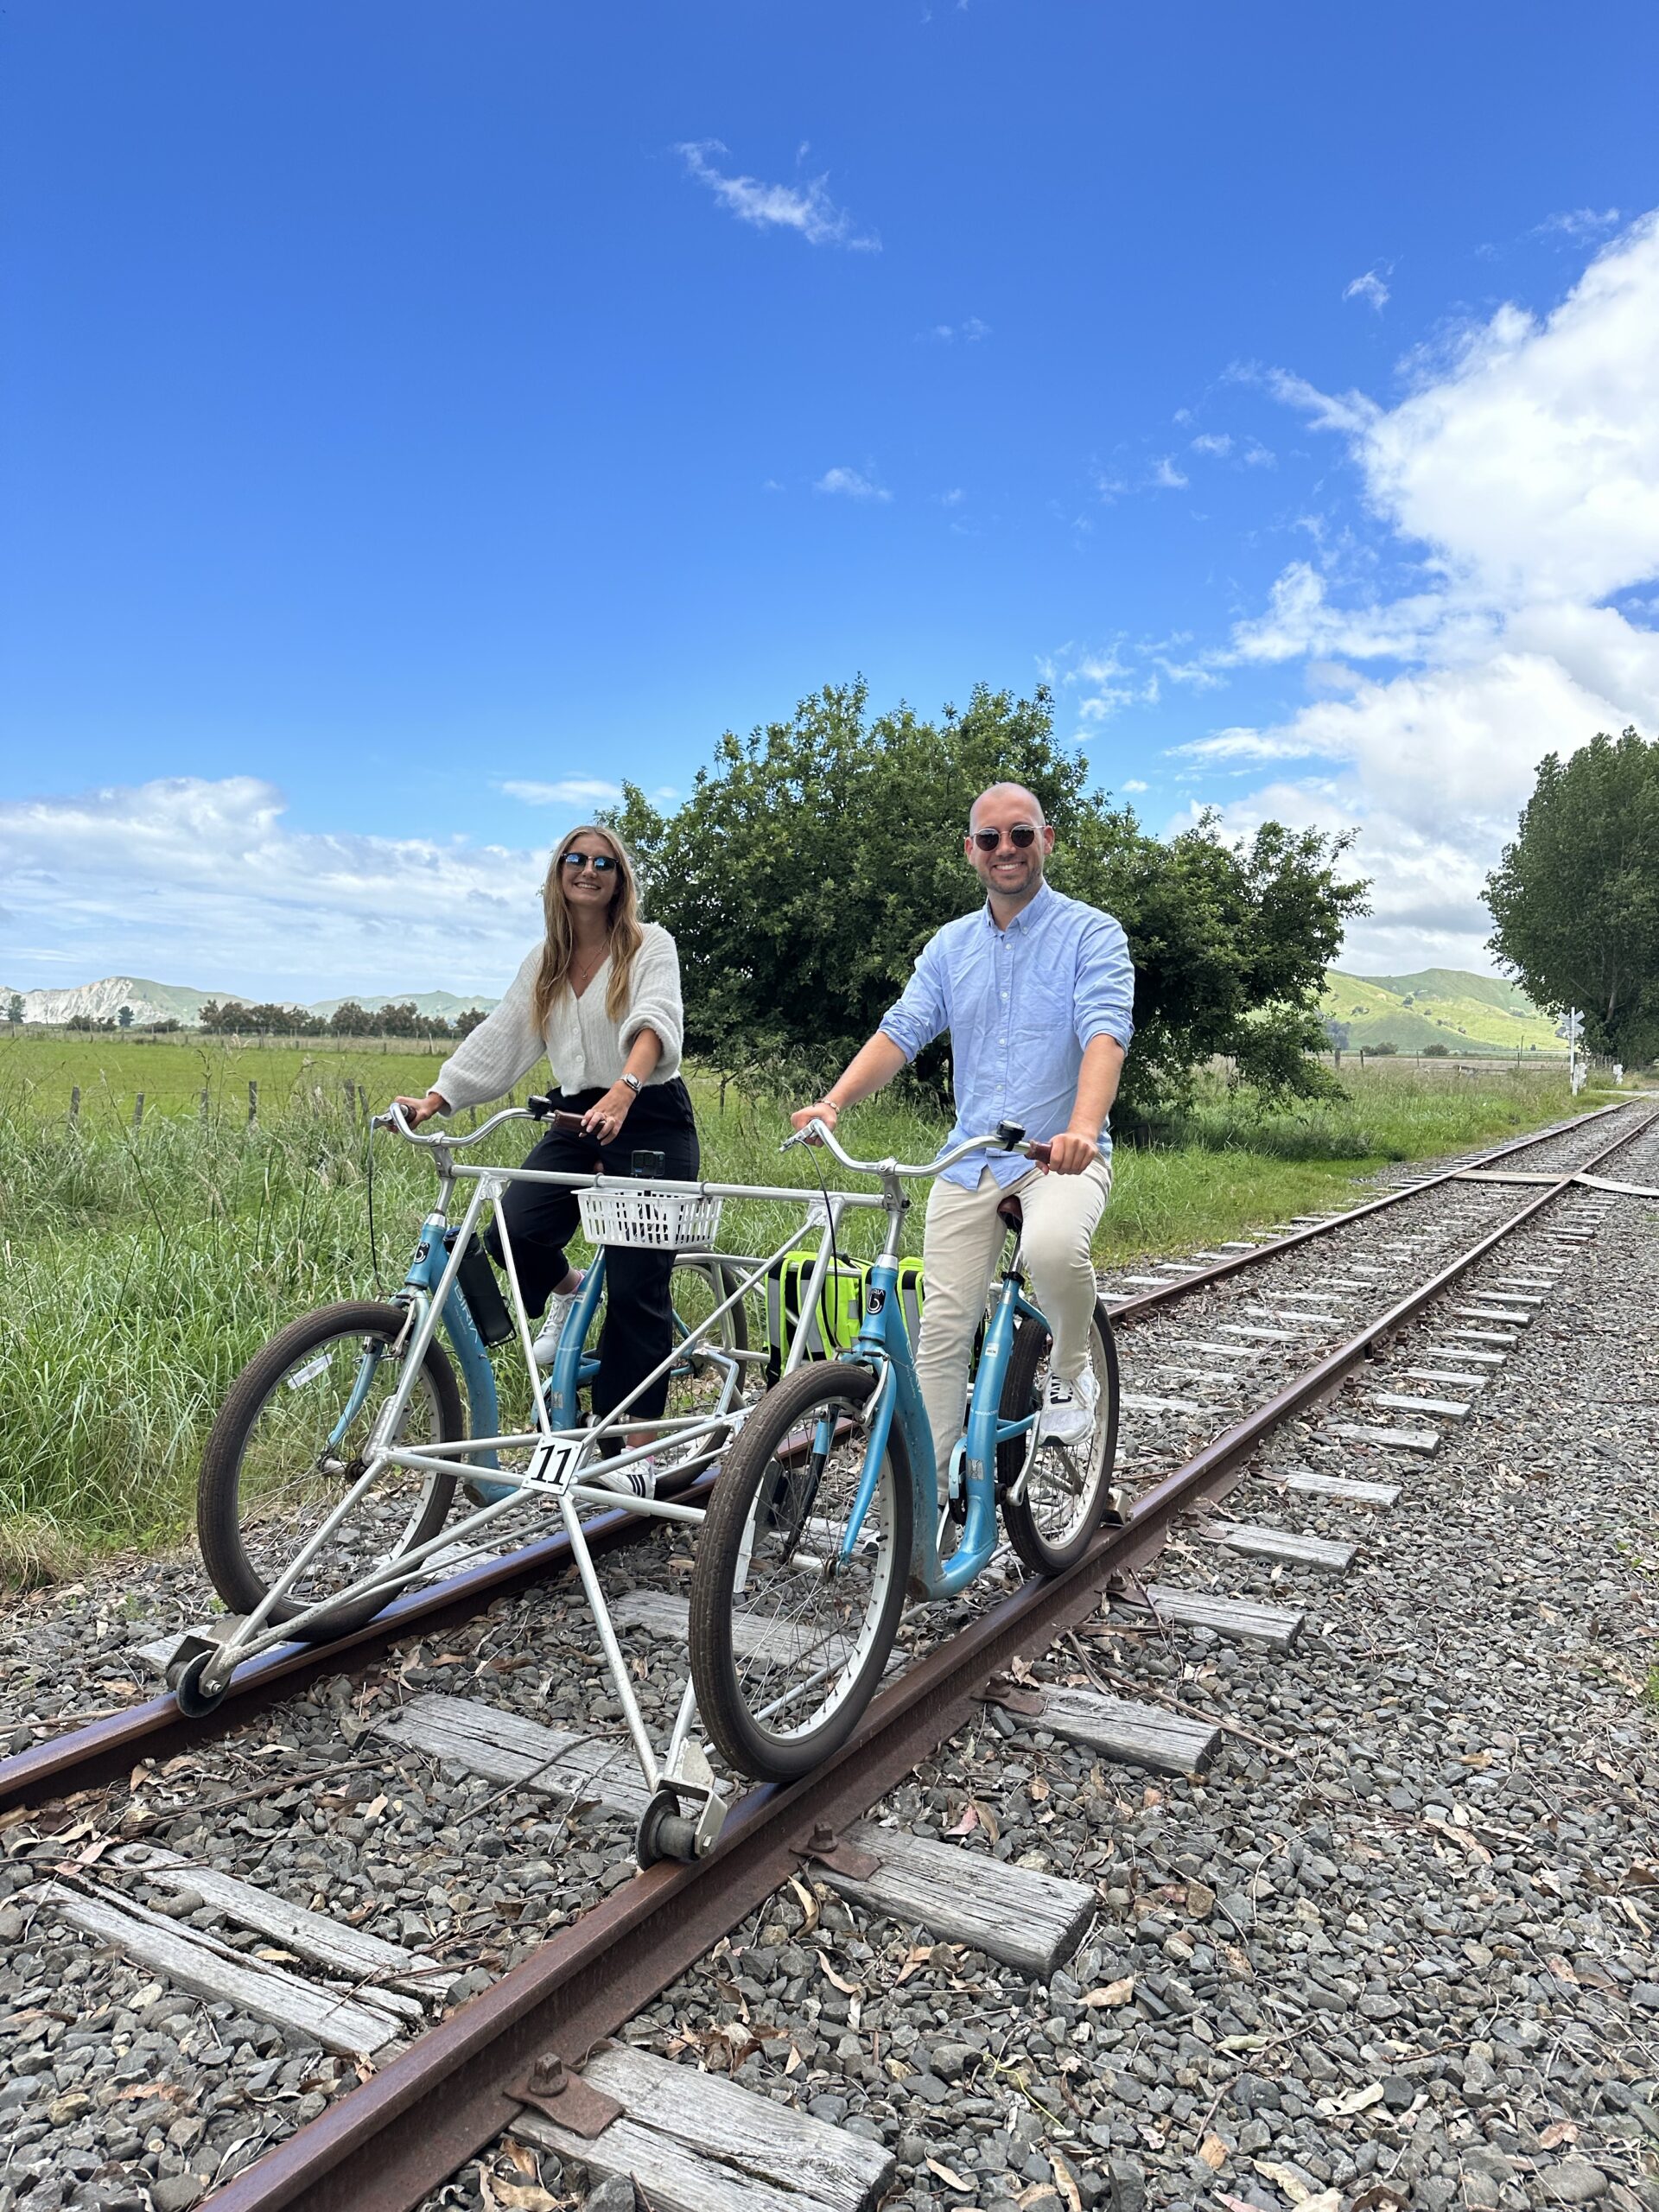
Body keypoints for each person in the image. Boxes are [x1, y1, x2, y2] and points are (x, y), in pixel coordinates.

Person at [791, 782, 1134, 1497]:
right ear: (971, 851)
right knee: (941, 1332)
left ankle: (1072, 1375)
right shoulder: (952, 945)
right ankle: (933, 1499)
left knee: (1051, 1249)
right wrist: (833, 1102)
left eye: (1019, 835)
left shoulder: (1092, 933)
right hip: (971, 1159)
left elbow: (1105, 1032)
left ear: (1047, 839)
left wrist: (1081, 1129)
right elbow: (902, 1030)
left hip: (1056, 1157)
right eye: (989, 839)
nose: (1005, 850)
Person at [394, 823, 696, 1497]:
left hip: (647, 1113)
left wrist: (626, 1087)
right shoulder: (545, 961)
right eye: (575, 859)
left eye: (603, 863)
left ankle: (635, 1445)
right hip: (575, 1114)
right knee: (515, 1225)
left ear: (620, 880)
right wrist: (436, 1099)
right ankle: (566, 1295)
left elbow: (654, 1021)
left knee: (637, 1277)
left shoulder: (650, 945)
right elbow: (501, 1038)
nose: (588, 870)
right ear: (558, 872)